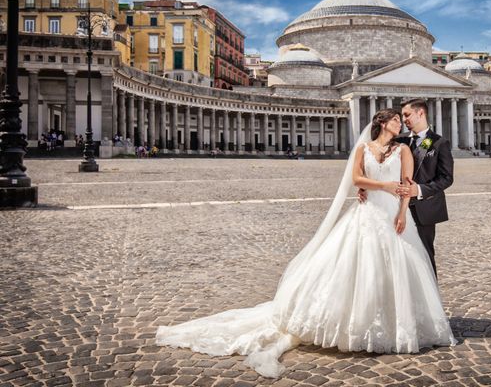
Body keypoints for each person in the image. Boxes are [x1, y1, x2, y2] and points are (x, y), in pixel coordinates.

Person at [156, 109, 456, 377]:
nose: (400, 122)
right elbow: (357, 180)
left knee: (397, 269)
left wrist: (403, 212)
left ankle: (397, 324)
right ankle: (353, 325)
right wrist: (380, 186)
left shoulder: (403, 149)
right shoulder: (364, 148)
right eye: (395, 119)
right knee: (357, 269)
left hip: (393, 214)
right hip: (367, 213)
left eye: (403, 118)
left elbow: (405, 185)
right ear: (381, 123)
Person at [396, 99, 454, 277]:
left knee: (425, 256)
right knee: (398, 255)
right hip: (396, 208)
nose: (404, 120)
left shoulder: (438, 143)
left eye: (407, 115)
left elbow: (446, 178)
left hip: (424, 208)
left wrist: (419, 190)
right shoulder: (399, 140)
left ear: (420, 113)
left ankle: (431, 300)